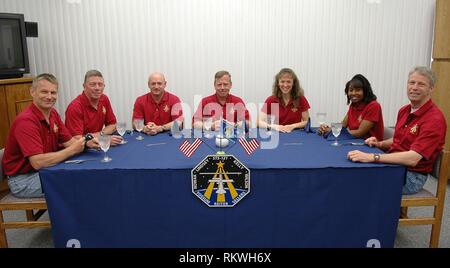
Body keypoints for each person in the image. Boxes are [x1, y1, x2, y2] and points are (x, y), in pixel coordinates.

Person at [347, 66, 447, 194]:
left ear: (431, 88)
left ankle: (377, 213)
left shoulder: (434, 119)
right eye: (412, 83)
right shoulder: (404, 110)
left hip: (411, 176)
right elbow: (400, 139)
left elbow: (413, 158)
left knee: (356, 182)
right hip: (394, 165)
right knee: (351, 172)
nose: (414, 87)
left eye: (421, 84)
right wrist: (380, 144)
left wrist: (373, 156)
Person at [2, 74, 97, 198]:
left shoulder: (53, 113)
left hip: (43, 170)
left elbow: (69, 142)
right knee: (79, 182)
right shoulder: (25, 121)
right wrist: (72, 150)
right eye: (44, 92)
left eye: (53, 92)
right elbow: (38, 162)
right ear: (32, 92)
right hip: (23, 180)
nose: (49, 97)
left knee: (86, 174)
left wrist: (87, 143)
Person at [318, 74, 384, 140]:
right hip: (355, 142)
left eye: (358, 90)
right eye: (351, 90)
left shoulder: (374, 106)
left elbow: (360, 132)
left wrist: (331, 132)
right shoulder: (354, 105)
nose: (353, 93)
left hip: (371, 146)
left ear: (365, 91)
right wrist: (327, 129)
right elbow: (343, 125)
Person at [65, 70, 122, 145]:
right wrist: (103, 139)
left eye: (100, 84)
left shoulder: (104, 99)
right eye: (93, 84)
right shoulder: (75, 107)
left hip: (97, 145)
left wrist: (100, 135)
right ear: (84, 86)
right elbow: (77, 140)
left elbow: (113, 125)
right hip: (81, 151)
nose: (97, 88)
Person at [258, 68, 310, 133]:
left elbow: (306, 121)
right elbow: (258, 122)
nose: (285, 85)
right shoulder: (271, 100)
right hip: (276, 134)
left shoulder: (301, 99)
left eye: (288, 82)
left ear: (293, 83)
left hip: (295, 134)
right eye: (282, 81)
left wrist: (292, 126)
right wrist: (274, 126)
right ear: (278, 83)